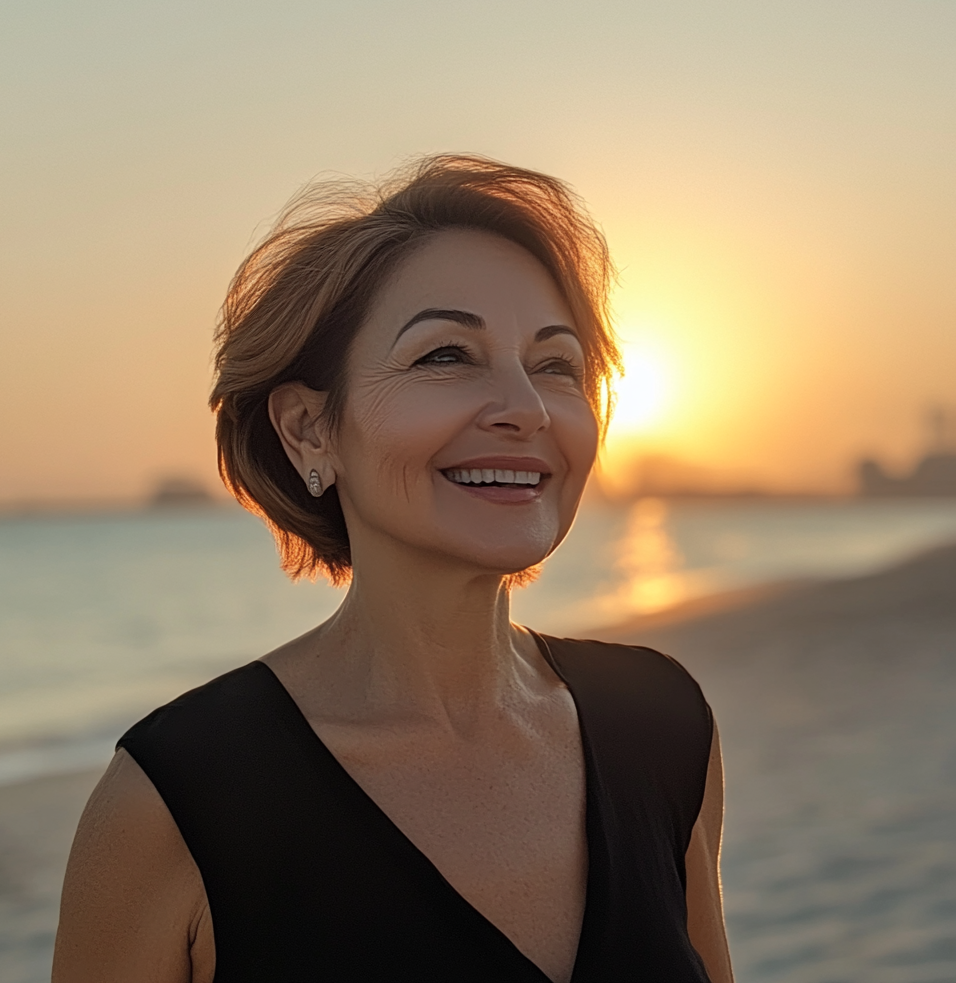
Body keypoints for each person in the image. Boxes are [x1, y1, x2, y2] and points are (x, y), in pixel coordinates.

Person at [53, 155, 733, 983]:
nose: (524, 408)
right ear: (309, 429)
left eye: (556, 365)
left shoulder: (662, 725)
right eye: (446, 356)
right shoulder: (178, 802)